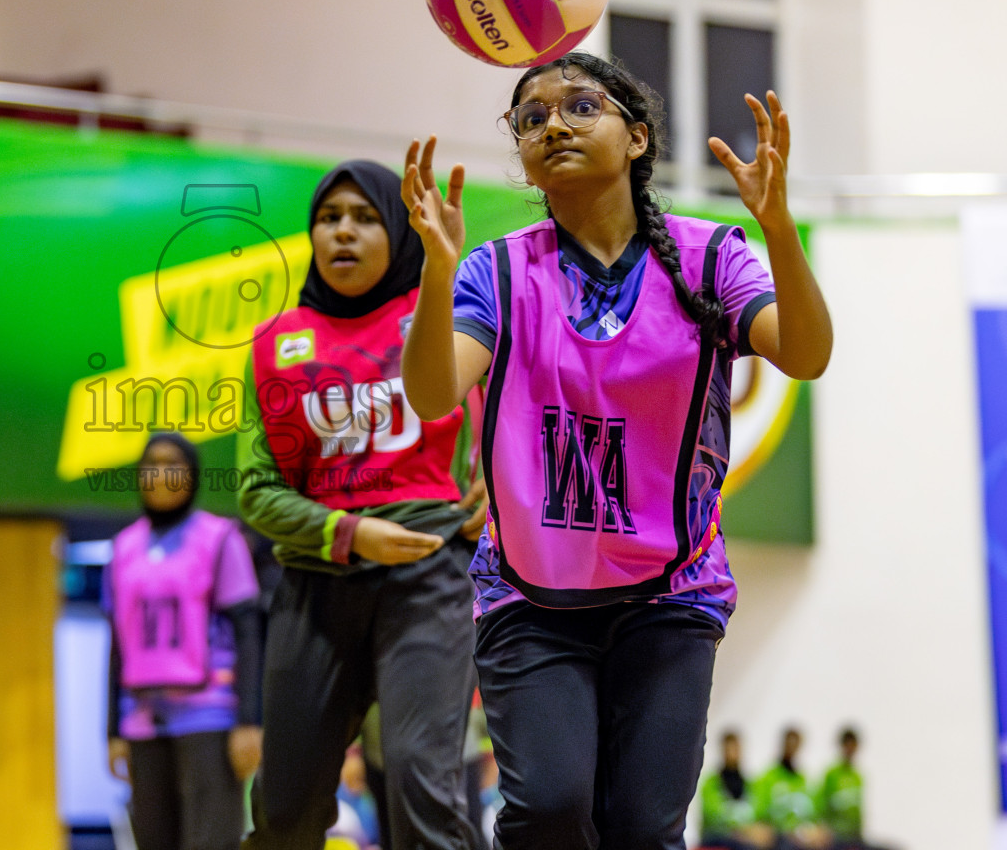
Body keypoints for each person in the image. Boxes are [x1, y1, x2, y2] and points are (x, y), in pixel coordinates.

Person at [398, 50, 832, 850]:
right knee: (553, 809)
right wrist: (435, 271)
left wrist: (777, 228)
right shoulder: (495, 272)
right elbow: (429, 395)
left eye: (578, 107)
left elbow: (804, 354)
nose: (552, 123)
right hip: (531, 597)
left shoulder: (712, 256)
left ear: (636, 138)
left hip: (671, 591)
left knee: (641, 825)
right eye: (530, 119)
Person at [238, 159, 486, 850]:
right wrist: (348, 531)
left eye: (366, 217)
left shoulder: (445, 314)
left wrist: (495, 482)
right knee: (284, 809)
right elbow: (255, 491)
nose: (343, 232)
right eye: (329, 217)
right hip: (316, 580)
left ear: (399, 231)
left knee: (420, 785)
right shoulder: (274, 344)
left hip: (430, 571)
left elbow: (522, 417)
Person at [104, 432, 264, 850]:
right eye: (151, 464)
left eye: (172, 463)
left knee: (211, 840)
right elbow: (117, 644)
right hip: (142, 720)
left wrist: (249, 721)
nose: (160, 474)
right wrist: (112, 730)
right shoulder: (123, 548)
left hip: (210, 717)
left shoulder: (219, 538)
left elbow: (248, 632)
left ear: (191, 475)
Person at [700, 730, 772, 850]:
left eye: (735, 749)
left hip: (744, 836)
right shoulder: (711, 784)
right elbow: (716, 816)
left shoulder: (750, 784)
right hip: (717, 836)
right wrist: (745, 830)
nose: (732, 754)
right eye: (729, 749)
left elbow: (758, 812)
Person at [753, 728, 824, 848]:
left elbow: (813, 814)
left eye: (795, 744)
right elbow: (759, 814)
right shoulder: (768, 778)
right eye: (789, 743)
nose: (791, 748)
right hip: (776, 837)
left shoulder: (803, 782)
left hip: (801, 836)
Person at [816, 728, 864, 849]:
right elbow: (822, 803)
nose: (850, 749)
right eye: (847, 745)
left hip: (854, 835)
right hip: (835, 836)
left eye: (853, 745)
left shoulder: (857, 777)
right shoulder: (832, 774)